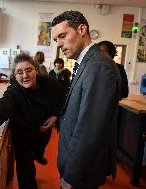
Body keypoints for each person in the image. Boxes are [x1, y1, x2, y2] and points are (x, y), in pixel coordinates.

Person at [0, 54, 63, 189]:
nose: (25, 75)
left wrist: (55, 116)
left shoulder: (49, 83)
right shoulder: (15, 91)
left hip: (43, 130)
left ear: (36, 70)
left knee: (39, 149)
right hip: (23, 134)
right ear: (14, 76)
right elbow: (2, 107)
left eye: (29, 70)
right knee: (25, 169)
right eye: (19, 72)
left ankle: (38, 155)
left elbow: (62, 100)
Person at [51, 10, 121, 189]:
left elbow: (91, 128)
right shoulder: (87, 62)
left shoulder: (98, 65)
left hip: (81, 171)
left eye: (63, 36)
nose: (59, 44)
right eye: (56, 39)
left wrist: (71, 176)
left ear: (82, 29)